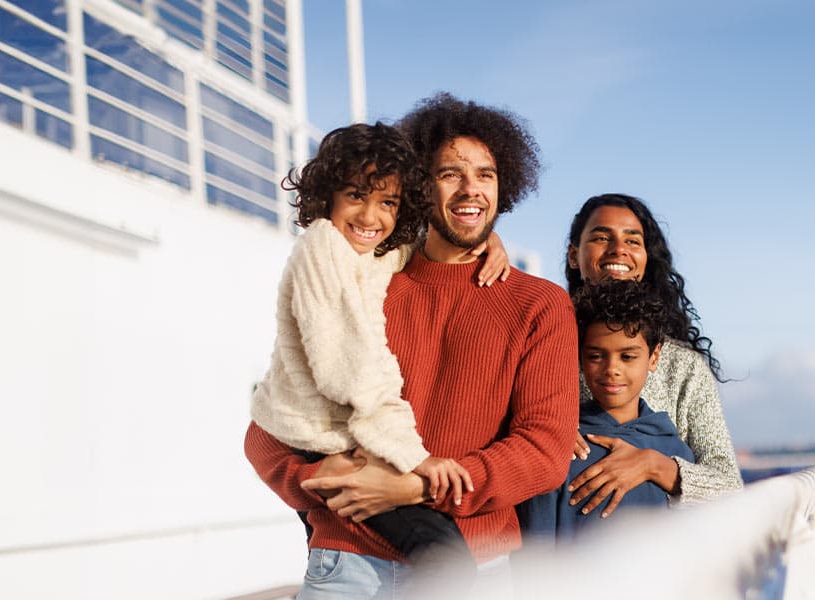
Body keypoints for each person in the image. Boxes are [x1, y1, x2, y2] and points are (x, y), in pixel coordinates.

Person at [244, 93, 579, 598]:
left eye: (485, 174)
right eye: (451, 174)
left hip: (472, 566)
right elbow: (267, 429)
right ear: (421, 186)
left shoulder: (541, 304)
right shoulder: (363, 283)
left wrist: (421, 487)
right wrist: (318, 477)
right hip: (348, 565)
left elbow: (544, 451)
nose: (471, 189)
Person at [250, 122, 510, 575]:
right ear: (327, 196)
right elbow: (351, 370)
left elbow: (407, 249)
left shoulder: (363, 253)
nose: (371, 217)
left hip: (328, 437)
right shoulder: (322, 247)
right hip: (318, 441)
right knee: (445, 557)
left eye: (387, 202)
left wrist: (485, 236)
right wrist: (416, 459)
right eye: (356, 196)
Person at [563, 194, 742, 518]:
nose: (619, 249)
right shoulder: (543, 346)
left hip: (660, 551)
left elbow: (729, 487)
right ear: (574, 256)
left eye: (633, 240)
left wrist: (653, 464)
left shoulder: (682, 367)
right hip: (565, 543)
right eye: (602, 237)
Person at [519, 280, 695, 545]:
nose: (611, 369)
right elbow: (534, 554)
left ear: (654, 357)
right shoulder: (559, 442)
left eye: (627, 357)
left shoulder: (676, 453)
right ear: (579, 357)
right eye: (596, 356)